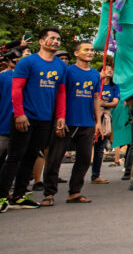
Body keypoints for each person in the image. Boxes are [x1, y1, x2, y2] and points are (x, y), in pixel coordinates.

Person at [0, 26, 67, 212]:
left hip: (45, 119)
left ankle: (19, 196)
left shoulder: (61, 66)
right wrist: (19, 113)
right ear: (41, 41)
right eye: (52, 38)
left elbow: (61, 93)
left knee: (31, 158)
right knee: (14, 157)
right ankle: (2, 196)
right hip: (24, 118)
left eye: (58, 39)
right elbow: (16, 89)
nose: (55, 41)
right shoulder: (27, 62)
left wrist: (60, 116)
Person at [41, 41, 102, 206]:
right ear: (76, 53)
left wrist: (98, 121)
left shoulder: (96, 74)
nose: (90, 52)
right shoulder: (67, 71)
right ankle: (49, 194)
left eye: (91, 50)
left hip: (87, 122)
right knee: (55, 159)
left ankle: (74, 192)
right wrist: (59, 118)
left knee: (83, 159)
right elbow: (59, 94)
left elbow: (96, 98)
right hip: (67, 122)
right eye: (86, 49)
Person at [91, 64, 119, 185]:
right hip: (90, 116)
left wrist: (103, 103)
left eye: (111, 70)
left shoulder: (114, 87)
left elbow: (115, 103)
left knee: (100, 147)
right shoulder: (94, 83)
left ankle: (95, 175)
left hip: (105, 119)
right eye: (106, 69)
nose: (109, 71)